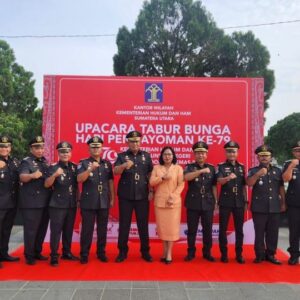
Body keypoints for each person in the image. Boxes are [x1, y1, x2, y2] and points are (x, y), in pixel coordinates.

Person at [114, 131, 153, 262]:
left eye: (137, 141)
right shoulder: (122, 156)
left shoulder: (146, 156)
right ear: (127, 142)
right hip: (126, 196)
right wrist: (125, 165)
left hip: (142, 195)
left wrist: (151, 190)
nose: (135, 143)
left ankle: (145, 251)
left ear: (140, 142)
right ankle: (122, 252)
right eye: (132, 141)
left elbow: (150, 174)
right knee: (124, 224)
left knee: (143, 224)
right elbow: (115, 171)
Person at [77, 136, 114, 264]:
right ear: (89, 149)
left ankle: (101, 252)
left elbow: (110, 182)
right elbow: (79, 179)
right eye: (93, 147)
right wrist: (90, 169)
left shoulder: (107, 164)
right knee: (87, 229)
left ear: (102, 148)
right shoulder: (83, 163)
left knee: (102, 229)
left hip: (103, 200)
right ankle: (84, 254)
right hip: (88, 201)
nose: (96, 149)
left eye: (98, 146)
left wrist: (112, 198)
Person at [247, 145, 286, 265]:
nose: (264, 157)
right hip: (259, 207)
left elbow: (280, 187)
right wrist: (258, 174)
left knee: (273, 232)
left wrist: (283, 202)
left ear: (271, 157)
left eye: (266, 155)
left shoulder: (278, 170)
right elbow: (249, 183)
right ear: (258, 157)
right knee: (259, 232)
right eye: (262, 155)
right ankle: (259, 255)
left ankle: (271, 254)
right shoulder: (253, 170)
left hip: (274, 206)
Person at [45, 142, 79, 266]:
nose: (65, 154)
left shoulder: (75, 167)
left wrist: (78, 200)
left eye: (67, 151)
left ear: (71, 153)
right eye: (62, 152)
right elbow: (47, 184)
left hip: (71, 203)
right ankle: (54, 255)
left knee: (68, 229)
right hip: (57, 204)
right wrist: (55, 175)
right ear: (58, 153)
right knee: (56, 231)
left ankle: (67, 252)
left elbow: (76, 187)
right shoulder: (53, 167)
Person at [19, 136, 51, 265]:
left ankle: (37, 251)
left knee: (42, 229)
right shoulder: (26, 162)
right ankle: (29, 255)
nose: (40, 150)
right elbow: (22, 177)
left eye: (42, 147)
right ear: (31, 148)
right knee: (31, 230)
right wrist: (32, 175)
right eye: (37, 147)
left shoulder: (44, 161)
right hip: (31, 202)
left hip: (45, 201)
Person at [149, 146, 184, 264]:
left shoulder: (178, 168)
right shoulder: (156, 168)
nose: (167, 156)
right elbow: (152, 182)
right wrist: (162, 177)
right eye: (165, 154)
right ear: (161, 156)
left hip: (173, 203)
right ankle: (164, 251)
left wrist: (173, 197)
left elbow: (181, 185)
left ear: (173, 156)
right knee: (163, 229)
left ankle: (169, 253)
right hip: (160, 202)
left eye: (169, 154)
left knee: (172, 229)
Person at [184, 142, 217, 262]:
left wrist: (216, 202)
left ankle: (207, 252)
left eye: (202, 153)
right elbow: (185, 178)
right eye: (198, 153)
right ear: (194, 154)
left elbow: (214, 186)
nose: (200, 155)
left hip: (208, 202)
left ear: (206, 154)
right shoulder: (189, 167)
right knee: (191, 229)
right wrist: (200, 171)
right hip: (193, 202)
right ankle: (191, 252)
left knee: (207, 229)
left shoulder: (212, 168)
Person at [217, 141, 248, 264]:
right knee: (222, 229)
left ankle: (239, 254)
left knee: (239, 229)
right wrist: (228, 178)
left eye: (234, 151)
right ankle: (224, 254)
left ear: (237, 152)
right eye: (229, 151)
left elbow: (244, 186)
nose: (231, 153)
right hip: (225, 201)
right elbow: (219, 181)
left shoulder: (242, 167)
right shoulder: (221, 166)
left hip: (239, 202)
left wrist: (246, 201)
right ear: (226, 152)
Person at [0, 136, 20, 267]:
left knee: (6, 230)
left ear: (10, 148)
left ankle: (4, 254)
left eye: (7, 146)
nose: (4, 149)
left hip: (12, 202)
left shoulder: (14, 162)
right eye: (2, 146)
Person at [282, 141, 300, 265]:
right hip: (294, 203)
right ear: (293, 152)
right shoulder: (289, 163)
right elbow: (285, 179)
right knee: (294, 231)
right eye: (297, 150)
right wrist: (292, 166)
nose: (299, 152)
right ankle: (294, 255)